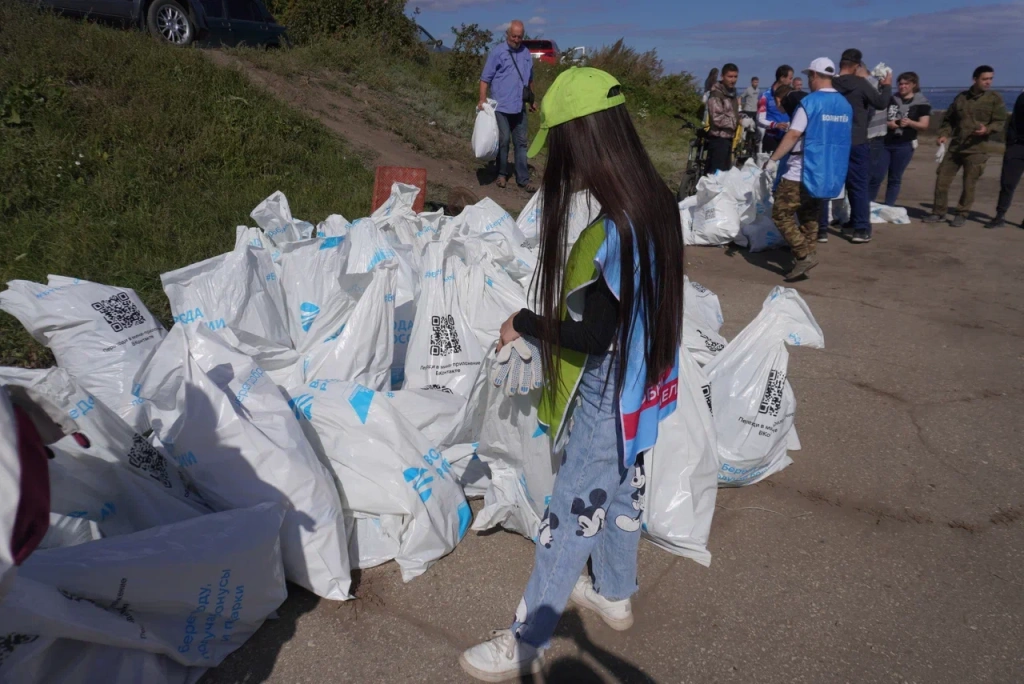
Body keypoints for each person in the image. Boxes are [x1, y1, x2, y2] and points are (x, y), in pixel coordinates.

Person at [459, 66, 685, 682]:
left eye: (560, 147)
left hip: (610, 390)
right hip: (645, 386)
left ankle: (527, 638)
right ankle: (613, 590)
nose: (562, 164)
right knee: (621, 490)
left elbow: (593, 336)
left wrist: (526, 321)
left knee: (569, 513)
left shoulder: (615, 226)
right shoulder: (657, 200)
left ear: (582, 138)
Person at [765, 58, 852, 281]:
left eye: (809, 77)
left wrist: (774, 159)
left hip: (801, 170)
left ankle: (803, 255)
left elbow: (793, 134)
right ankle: (808, 254)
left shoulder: (810, 102)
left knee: (781, 214)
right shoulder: (844, 105)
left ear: (813, 75)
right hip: (827, 172)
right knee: (809, 215)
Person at [924, 66, 1007, 227]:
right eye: (985, 79)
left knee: (969, 184)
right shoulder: (961, 98)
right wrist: (943, 135)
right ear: (975, 79)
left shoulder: (994, 99)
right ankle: (939, 212)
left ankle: (962, 213)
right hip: (956, 148)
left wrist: (987, 129)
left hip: (977, 149)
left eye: (991, 79)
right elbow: (949, 120)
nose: (988, 82)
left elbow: (1000, 122)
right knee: (942, 180)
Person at [830, 48, 892, 244]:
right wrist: (887, 86)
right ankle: (861, 228)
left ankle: (821, 229)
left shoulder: (831, 84)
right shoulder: (862, 84)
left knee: (830, 184)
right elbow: (881, 103)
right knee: (859, 186)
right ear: (857, 66)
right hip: (857, 140)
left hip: (834, 142)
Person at [479, 20, 537, 193]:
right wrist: (482, 99)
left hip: (519, 106)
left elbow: (530, 79)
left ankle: (523, 179)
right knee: (504, 140)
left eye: (520, 37)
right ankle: (501, 174)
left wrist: (532, 100)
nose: (517, 40)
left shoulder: (526, 53)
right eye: (514, 36)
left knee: (521, 142)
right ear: (507, 34)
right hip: (501, 106)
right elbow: (485, 79)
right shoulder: (498, 52)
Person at [868, 72, 931, 207]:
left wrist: (909, 123)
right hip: (885, 143)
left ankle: (889, 205)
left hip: (904, 144)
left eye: (906, 84)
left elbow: (924, 125)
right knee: (876, 176)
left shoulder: (922, 103)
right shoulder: (890, 100)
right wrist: (889, 124)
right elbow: (877, 119)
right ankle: (868, 204)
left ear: (914, 85)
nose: (902, 87)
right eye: (900, 84)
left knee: (895, 178)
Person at [986, 90, 1024, 228]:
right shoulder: (1022, 97)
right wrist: (1011, 144)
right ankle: (1000, 216)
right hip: (1018, 146)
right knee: (1008, 183)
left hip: (1016, 145)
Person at [706, 63, 740, 174]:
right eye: (730, 76)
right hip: (718, 139)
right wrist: (738, 122)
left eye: (735, 76)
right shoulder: (716, 94)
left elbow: (732, 113)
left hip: (728, 138)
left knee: (724, 175)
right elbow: (717, 118)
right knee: (716, 176)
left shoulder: (731, 93)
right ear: (722, 77)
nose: (733, 80)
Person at [757, 65, 794, 154]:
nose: (791, 81)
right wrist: (775, 125)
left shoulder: (792, 95)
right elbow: (759, 120)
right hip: (771, 138)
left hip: (787, 138)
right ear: (782, 78)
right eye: (790, 78)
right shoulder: (765, 96)